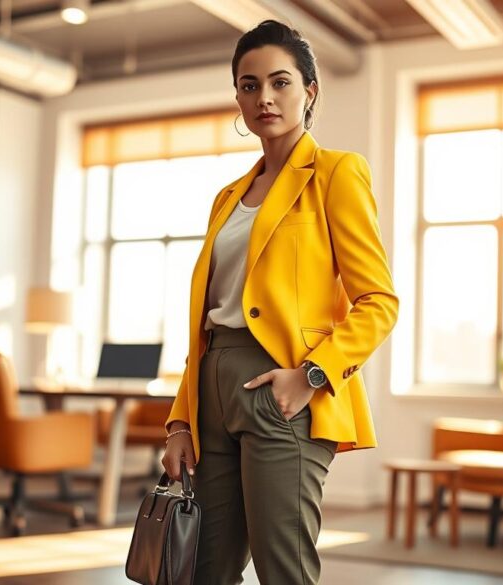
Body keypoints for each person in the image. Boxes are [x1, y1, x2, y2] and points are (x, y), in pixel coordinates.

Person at [162, 20, 399, 585]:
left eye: (279, 82)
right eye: (248, 85)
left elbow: (378, 301)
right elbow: (208, 320)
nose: (263, 97)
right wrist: (179, 421)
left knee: (283, 570)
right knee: (205, 569)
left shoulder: (337, 174)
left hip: (283, 391)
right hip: (212, 389)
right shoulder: (227, 197)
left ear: (309, 90)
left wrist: (310, 376)